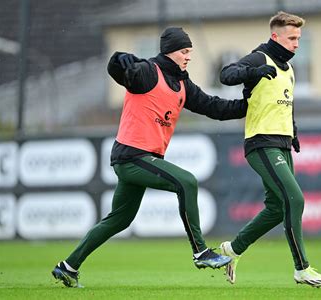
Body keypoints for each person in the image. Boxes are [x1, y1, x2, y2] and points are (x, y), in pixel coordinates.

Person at [51, 27, 248, 288]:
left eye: (190, 51)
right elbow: (120, 69)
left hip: (139, 159)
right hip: (132, 156)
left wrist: (249, 103)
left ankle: (68, 267)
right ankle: (201, 252)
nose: (188, 56)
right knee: (186, 182)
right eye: (184, 51)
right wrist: (118, 59)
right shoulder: (147, 72)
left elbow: (216, 107)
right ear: (170, 52)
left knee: (120, 218)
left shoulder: (182, 84)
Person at [218, 12, 321, 287]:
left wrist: (293, 131)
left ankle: (232, 250)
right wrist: (252, 72)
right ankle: (302, 269)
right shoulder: (260, 58)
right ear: (275, 36)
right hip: (261, 143)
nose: (296, 44)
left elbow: (285, 102)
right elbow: (226, 74)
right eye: (292, 38)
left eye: (299, 39)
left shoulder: (288, 68)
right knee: (295, 200)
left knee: (276, 207)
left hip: (281, 145)